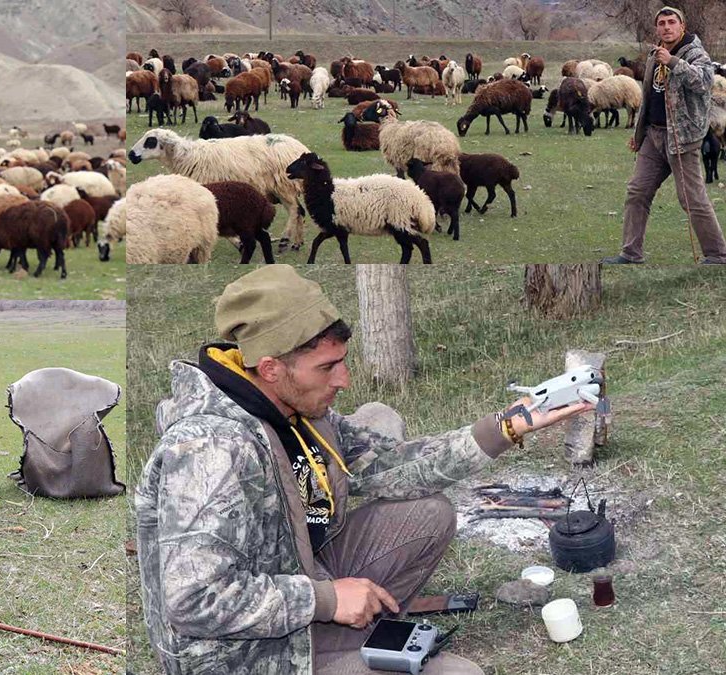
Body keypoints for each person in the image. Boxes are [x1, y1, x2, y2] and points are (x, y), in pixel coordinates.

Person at [135, 265, 594, 674]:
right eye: (328, 367)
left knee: (429, 513)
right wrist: (327, 600)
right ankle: (344, 643)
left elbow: (391, 464)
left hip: (303, 584)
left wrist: (506, 426)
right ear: (271, 368)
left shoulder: (296, 412)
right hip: (241, 654)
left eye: (342, 361)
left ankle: (354, 637)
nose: (344, 380)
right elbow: (193, 600)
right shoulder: (211, 450)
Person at [603, 5, 726, 265]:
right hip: (653, 135)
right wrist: (639, 134)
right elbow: (648, 96)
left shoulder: (695, 53)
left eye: (672, 22)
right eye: (662, 23)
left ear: (682, 26)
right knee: (637, 192)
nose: (667, 27)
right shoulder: (654, 54)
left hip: (682, 138)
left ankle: (718, 254)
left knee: (692, 199)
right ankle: (631, 253)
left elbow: (704, 82)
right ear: (657, 28)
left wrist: (673, 62)